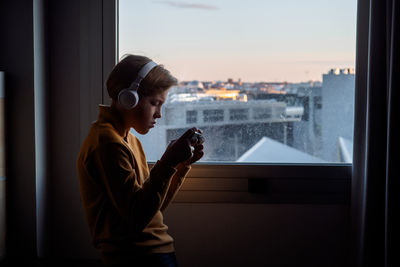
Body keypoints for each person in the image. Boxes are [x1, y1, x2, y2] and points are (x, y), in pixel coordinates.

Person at [76, 54, 204, 267]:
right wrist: (168, 163)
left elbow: (151, 209)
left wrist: (180, 166)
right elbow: (137, 216)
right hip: (136, 256)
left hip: (152, 251)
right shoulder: (108, 143)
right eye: (155, 103)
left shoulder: (129, 140)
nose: (159, 114)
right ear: (129, 98)